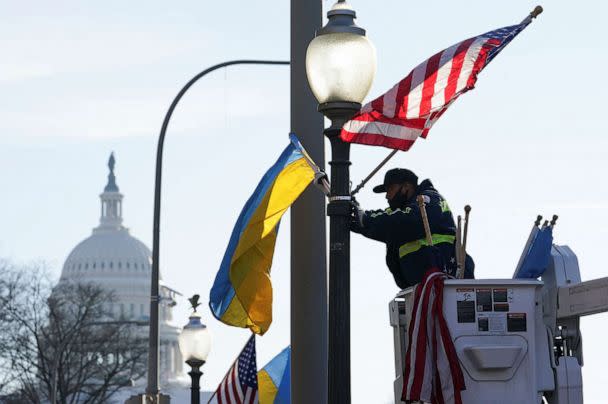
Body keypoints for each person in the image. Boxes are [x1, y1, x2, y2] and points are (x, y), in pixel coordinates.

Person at [350, 168, 474, 289]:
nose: (387, 196)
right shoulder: (401, 213)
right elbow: (385, 225)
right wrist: (359, 222)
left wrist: (365, 219)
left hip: (446, 284)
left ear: (406, 187)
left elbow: (407, 221)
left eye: (390, 189)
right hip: (422, 289)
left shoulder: (429, 199)